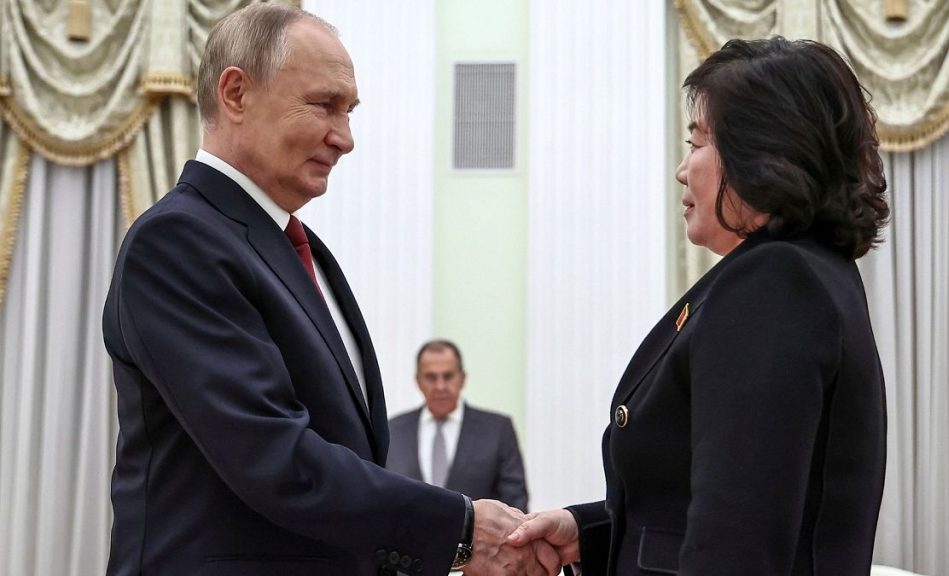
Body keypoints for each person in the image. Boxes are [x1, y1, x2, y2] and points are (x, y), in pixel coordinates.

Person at [102, 4, 557, 575]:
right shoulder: (177, 241)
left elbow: (343, 452)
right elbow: (272, 456)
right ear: (236, 94)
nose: (345, 139)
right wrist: (461, 528)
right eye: (324, 105)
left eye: (350, 112)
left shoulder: (300, 246)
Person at [509, 36, 890, 576]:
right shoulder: (805, 272)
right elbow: (723, 502)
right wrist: (588, 531)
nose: (682, 170)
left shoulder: (774, 284)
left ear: (765, 152)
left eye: (699, 143)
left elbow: (739, 545)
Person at [387, 340, 529, 511]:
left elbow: (515, 504)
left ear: (462, 378)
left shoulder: (497, 430)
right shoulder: (393, 431)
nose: (440, 386)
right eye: (431, 377)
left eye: (448, 376)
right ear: (418, 381)